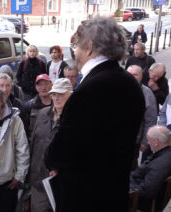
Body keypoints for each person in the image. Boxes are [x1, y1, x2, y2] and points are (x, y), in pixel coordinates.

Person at [44, 17, 145, 212]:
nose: (74, 51)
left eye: (76, 45)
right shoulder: (131, 83)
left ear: (89, 47)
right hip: (114, 195)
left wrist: (51, 159)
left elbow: (60, 152)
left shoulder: (90, 89)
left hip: (85, 199)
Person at [30, 78, 72, 212]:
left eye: (61, 94)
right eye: (54, 94)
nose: (56, 98)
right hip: (39, 182)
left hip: (63, 184)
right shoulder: (42, 114)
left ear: (70, 95)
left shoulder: (75, 119)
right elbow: (33, 144)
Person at [130, 125, 171, 212]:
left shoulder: (161, 163)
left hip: (137, 200)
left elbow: (147, 192)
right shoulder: (165, 153)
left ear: (156, 142)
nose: (148, 143)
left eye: (149, 140)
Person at [127, 65, 158, 163]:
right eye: (129, 74)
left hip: (134, 140)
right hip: (115, 138)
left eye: (135, 75)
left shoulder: (147, 93)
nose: (131, 77)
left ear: (141, 76)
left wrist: (145, 142)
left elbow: (151, 120)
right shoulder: (117, 88)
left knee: (130, 165)